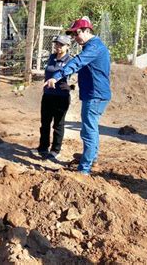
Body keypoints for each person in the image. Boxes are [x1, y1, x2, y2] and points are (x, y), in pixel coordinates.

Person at [44, 17, 111, 175]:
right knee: (91, 128)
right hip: (95, 93)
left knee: (88, 131)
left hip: (95, 95)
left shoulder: (93, 47)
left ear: (87, 31)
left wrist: (57, 76)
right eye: (73, 34)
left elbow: (77, 62)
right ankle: (91, 158)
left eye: (77, 33)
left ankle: (84, 169)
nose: (74, 37)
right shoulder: (92, 46)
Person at [33, 35, 72, 160]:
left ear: (68, 46)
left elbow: (71, 77)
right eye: (57, 44)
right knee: (45, 123)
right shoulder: (51, 57)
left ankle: (55, 150)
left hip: (61, 97)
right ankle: (43, 147)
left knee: (58, 124)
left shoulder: (70, 60)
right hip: (48, 95)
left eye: (61, 45)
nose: (58, 47)